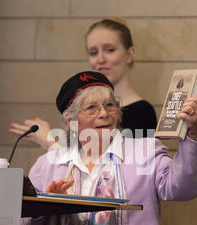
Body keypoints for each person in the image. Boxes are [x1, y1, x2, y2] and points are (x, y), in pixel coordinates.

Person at [20, 71, 197, 225]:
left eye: (110, 105)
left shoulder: (145, 151)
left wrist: (193, 133)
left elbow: (182, 189)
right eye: (92, 108)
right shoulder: (48, 165)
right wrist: (46, 206)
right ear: (71, 121)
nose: (104, 114)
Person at [9, 18, 157, 149]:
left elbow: (113, 168)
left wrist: (49, 143)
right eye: (93, 52)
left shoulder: (142, 112)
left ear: (129, 54)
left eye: (110, 50)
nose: (100, 59)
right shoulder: (77, 107)